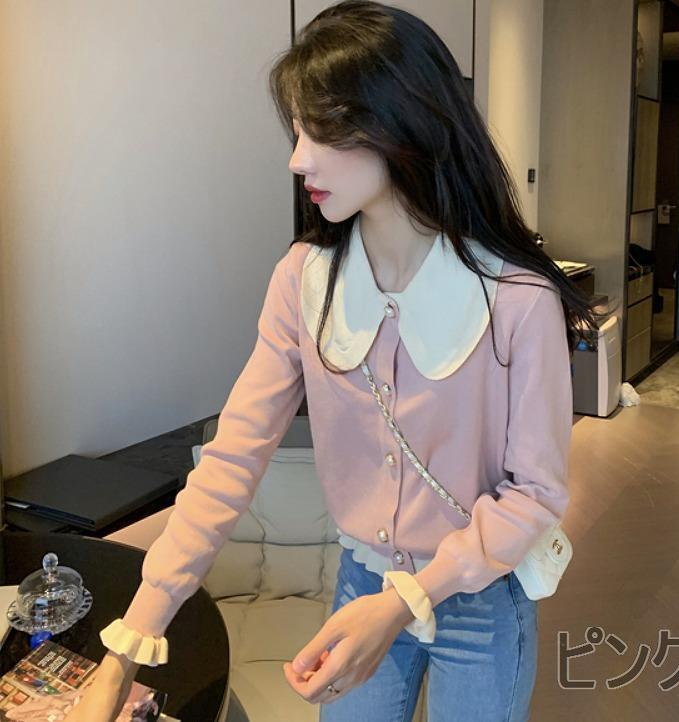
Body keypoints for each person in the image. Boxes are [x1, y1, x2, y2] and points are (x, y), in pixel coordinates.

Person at [66, 2, 599, 720]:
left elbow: (534, 493)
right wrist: (127, 648)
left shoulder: (517, 299)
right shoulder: (302, 281)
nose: (298, 159)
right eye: (296, 130)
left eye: (323, 128)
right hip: (361, 583)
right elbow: (231, 460)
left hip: (481, 600)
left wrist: (407, 600)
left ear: (404, 122)